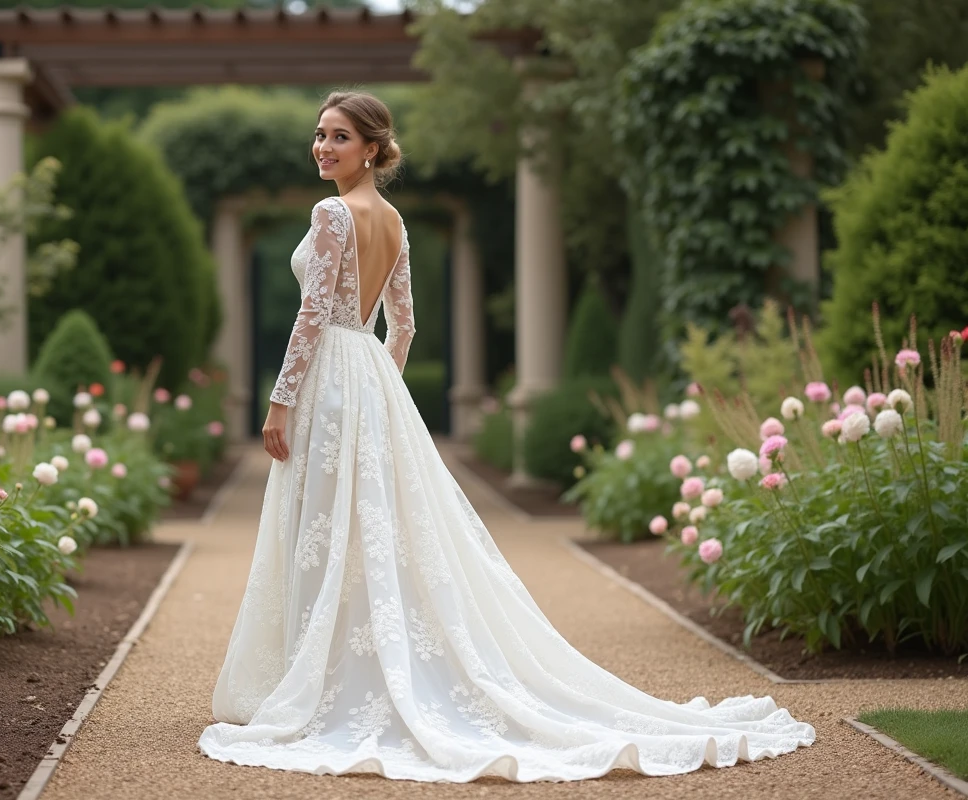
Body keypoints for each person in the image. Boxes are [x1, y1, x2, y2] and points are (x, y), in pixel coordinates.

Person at [198, 90, 814, 782]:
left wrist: (281, 401)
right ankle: (331, 673)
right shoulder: (395, 222)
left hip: (331, 383)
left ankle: (316, 684)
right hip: (365, 377)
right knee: (360, 529)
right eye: (319, 134)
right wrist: (380, 392)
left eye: (339, 136)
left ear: (372, 148)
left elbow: (313, 314)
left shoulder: (331, 213)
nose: (323, 147)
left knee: (325, 525)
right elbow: (403, 326)